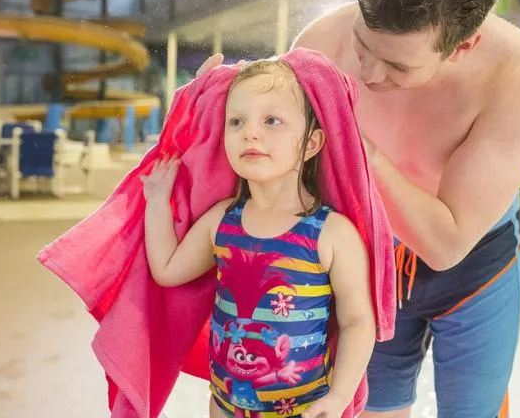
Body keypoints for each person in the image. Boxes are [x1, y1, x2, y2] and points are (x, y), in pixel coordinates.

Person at [198, 0, 520, 417]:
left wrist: (360, 148)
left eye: (397, 65)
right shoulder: (321, 45)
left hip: (477, 266)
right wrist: (203, 108)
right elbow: (271, 166)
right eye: (363, 45)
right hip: (368, 254)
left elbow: (446, 243)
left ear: (462, 46)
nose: (366, 74)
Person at [141, 59, 377, 418]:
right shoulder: (222, 220)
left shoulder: (330, 233)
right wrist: (157, 202)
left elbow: (358, 322)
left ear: (312, 143)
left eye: (272, 120)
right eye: (236, 121)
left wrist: (339, 397)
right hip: (224, 406)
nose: (250, 132)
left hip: (306, 410)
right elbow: (167, 270)